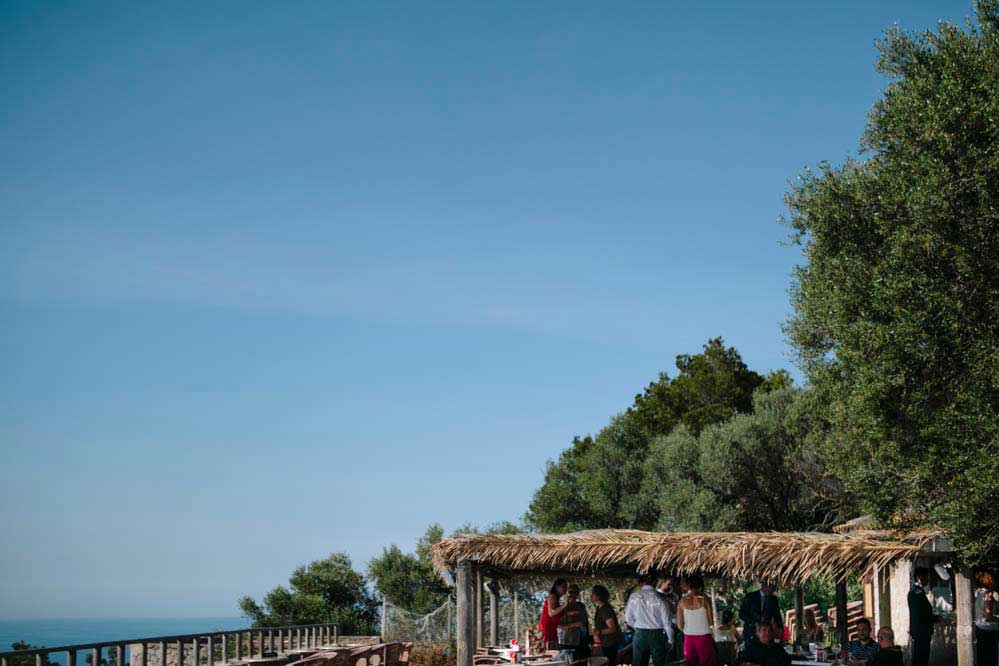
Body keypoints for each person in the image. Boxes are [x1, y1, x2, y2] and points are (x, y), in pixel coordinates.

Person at [625, 573, 675, 666]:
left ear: (641, 583)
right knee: (659, 662)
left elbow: (628, 619)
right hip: (657, 635)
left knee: (639, 663)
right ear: (655, 582)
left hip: (640, 634)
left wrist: (637, 627)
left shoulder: (634, 597)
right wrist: (670, 640)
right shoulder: (661, 598)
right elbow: (667, 622)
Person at [678, 574, 716, 666]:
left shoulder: (682, 601)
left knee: (690, 663)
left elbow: (680, 625)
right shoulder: (705, 600)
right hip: (704, 637)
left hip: (689, 638)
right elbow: (711, 621)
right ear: (701, 586)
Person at [908, 567, 939, 666]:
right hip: (922, 631)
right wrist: (936, 618)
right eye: (926, 577)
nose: (928, 579)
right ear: (919, 577)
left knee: (919, 658)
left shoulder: (915, 591)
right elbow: (922, 614)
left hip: (919, 631)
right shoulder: (918, 592)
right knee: (921, 659)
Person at [738, 581, 782, 648]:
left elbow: (777, 616)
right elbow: (742, 614)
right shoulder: (750, 597)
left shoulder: (773, 599)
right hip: (751, 632)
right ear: (764, 586)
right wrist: (754, 623)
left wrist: (780, 628)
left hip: (766, 634)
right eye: (772, 587)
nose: (773, 590)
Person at [592, 585, 623, 666]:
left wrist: (598, 632)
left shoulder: (605, 610)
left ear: (598, 596)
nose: (591, 596)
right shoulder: (600, 608)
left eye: (593, 594)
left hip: (610, 642)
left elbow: (612, 628)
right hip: (606, 642)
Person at [559, 584, 590, 659]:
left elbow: (586, 621)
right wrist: (574, 624)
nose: (573, 594)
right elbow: (560, 626)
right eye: (570, 592)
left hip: (582, 640)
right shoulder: (562, 607)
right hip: (568, 641)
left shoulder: (581, 606)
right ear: (567, 593)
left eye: (575, 592)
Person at [538, 578, 568, 649]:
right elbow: (551, 613)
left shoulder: (557, 599)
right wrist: (564, 605)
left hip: (553, 628)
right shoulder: (552, 596)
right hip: (547, 628)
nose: (565, 589)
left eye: (566, 587)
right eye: (563, 587)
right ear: (557, 587)